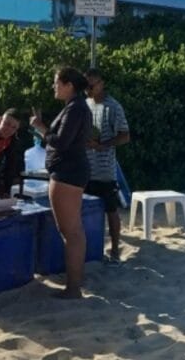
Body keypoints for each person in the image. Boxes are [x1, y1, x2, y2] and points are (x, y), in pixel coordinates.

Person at [30, 66, 92, 299]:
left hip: (67, 173)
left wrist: (40, 127)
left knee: (70, 231)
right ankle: (76, 282)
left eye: (56, 82)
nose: (53, 86)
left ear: (69, 85)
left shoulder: (75, 108)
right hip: (71, 171)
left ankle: (73, 287)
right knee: (74, 230)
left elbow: (61, 142)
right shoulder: (76, 107)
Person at [83, 68, 129, 263]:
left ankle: (115, 250)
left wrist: (102, 146)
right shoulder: (85, 104)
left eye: (91, 85)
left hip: (104, 169)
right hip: (85, 168)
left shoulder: (113, 107)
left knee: (111, 210)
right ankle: (91, 249)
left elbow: (125, 136)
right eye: (85, 86)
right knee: (85, 210)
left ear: (101, 84)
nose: (88, 90)